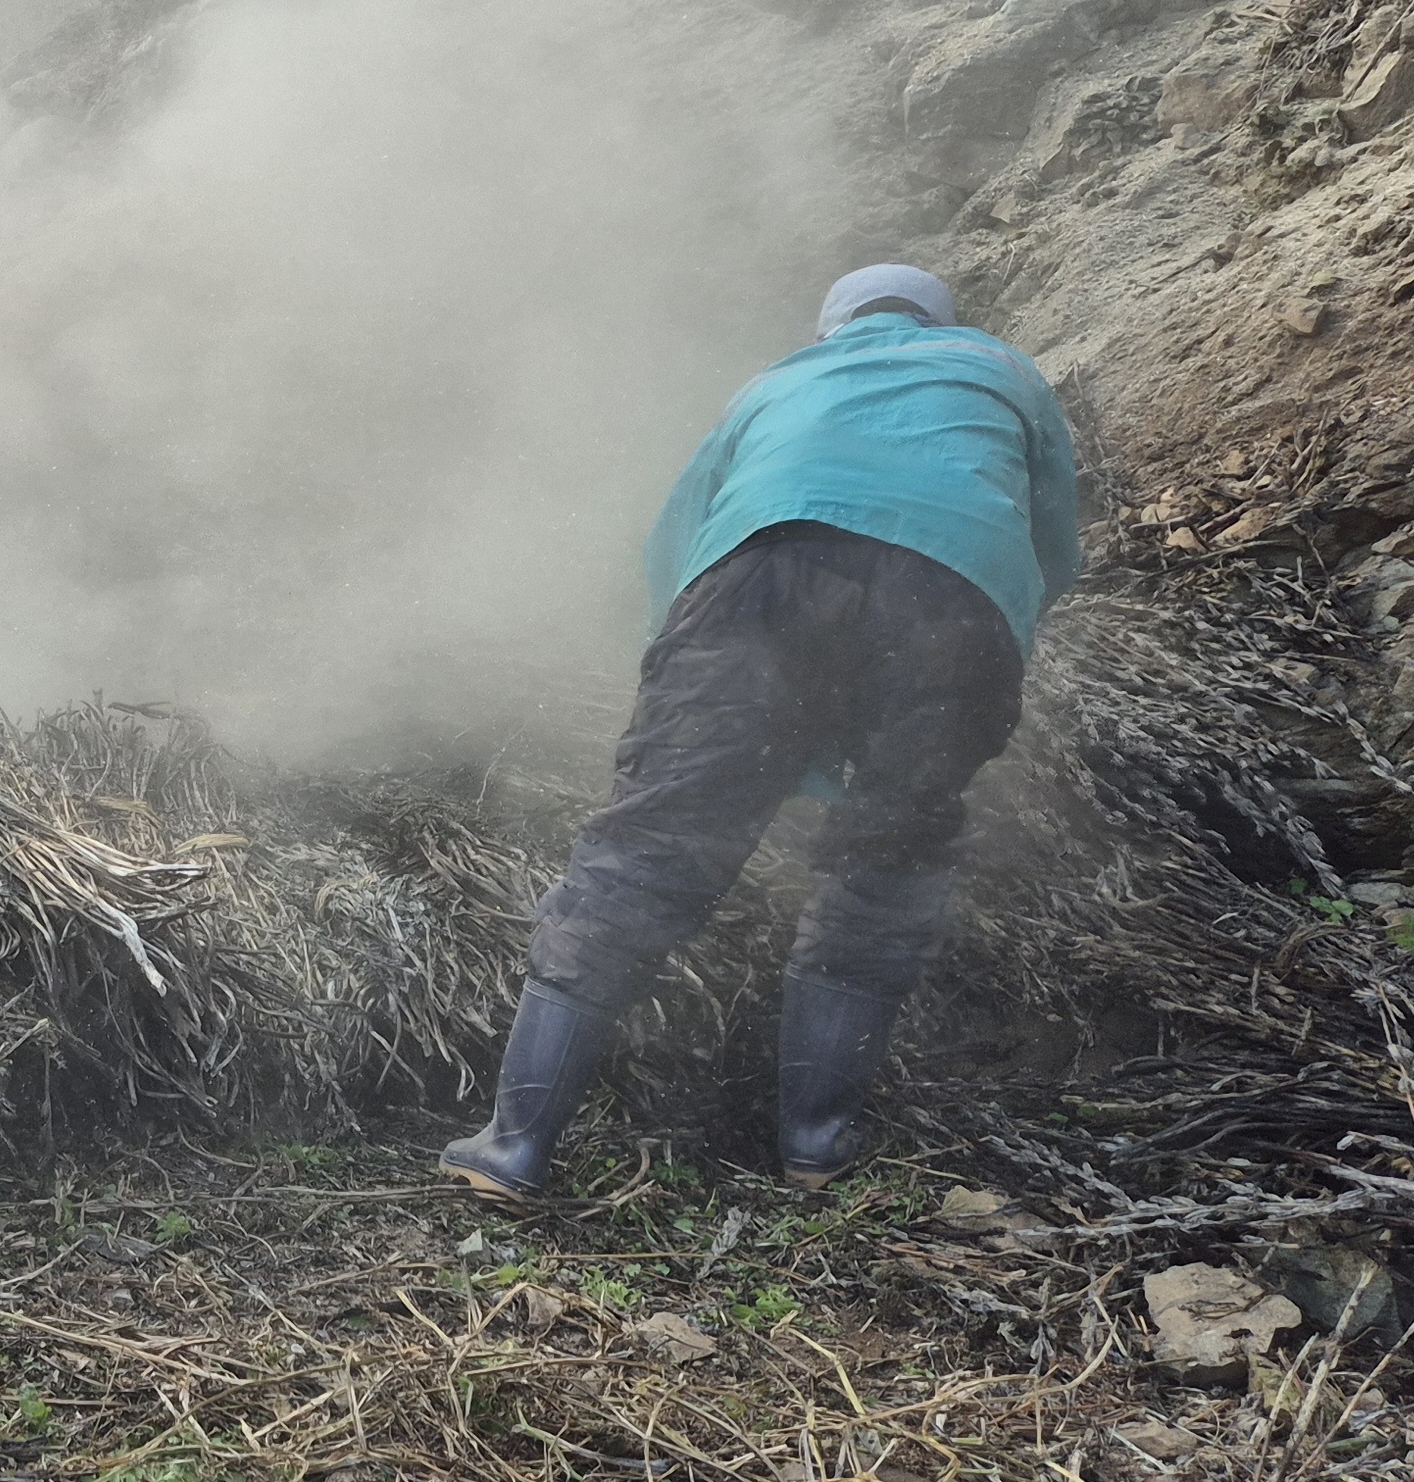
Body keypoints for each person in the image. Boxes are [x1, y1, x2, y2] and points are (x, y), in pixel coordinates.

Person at [441, 265, 1085, 1201]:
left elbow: (679, 542)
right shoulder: (1004, 369)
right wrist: (981, 645)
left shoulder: (777, 380)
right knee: (889, 853)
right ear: (937, 320)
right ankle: (816, 1147)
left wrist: (691, 703)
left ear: (834, 328)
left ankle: (515, 1147)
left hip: (759, 571)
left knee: (648, 847)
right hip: (959, 598)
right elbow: (1053, 543)